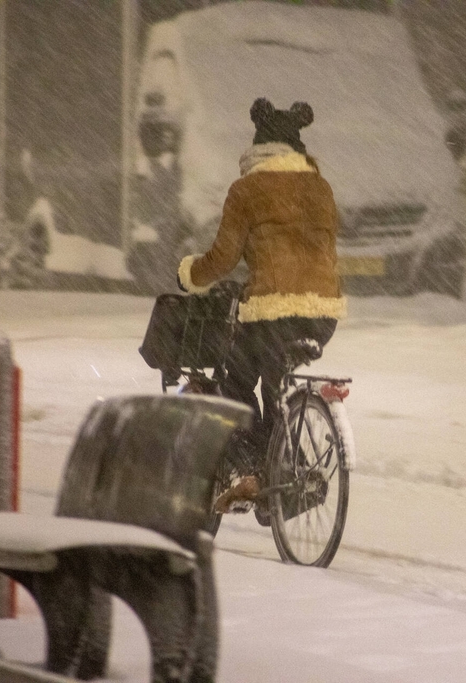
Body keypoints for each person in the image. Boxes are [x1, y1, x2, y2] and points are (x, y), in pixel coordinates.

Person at [176, 97, 346, 512]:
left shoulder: (247, 190)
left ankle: (251, 470)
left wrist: (188, 275)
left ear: (257, 150)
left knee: (235, 380)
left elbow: (222, 259)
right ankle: (285, 480)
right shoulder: (320, 187)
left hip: (272, 312)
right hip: (323, 313)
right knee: (276, 384)